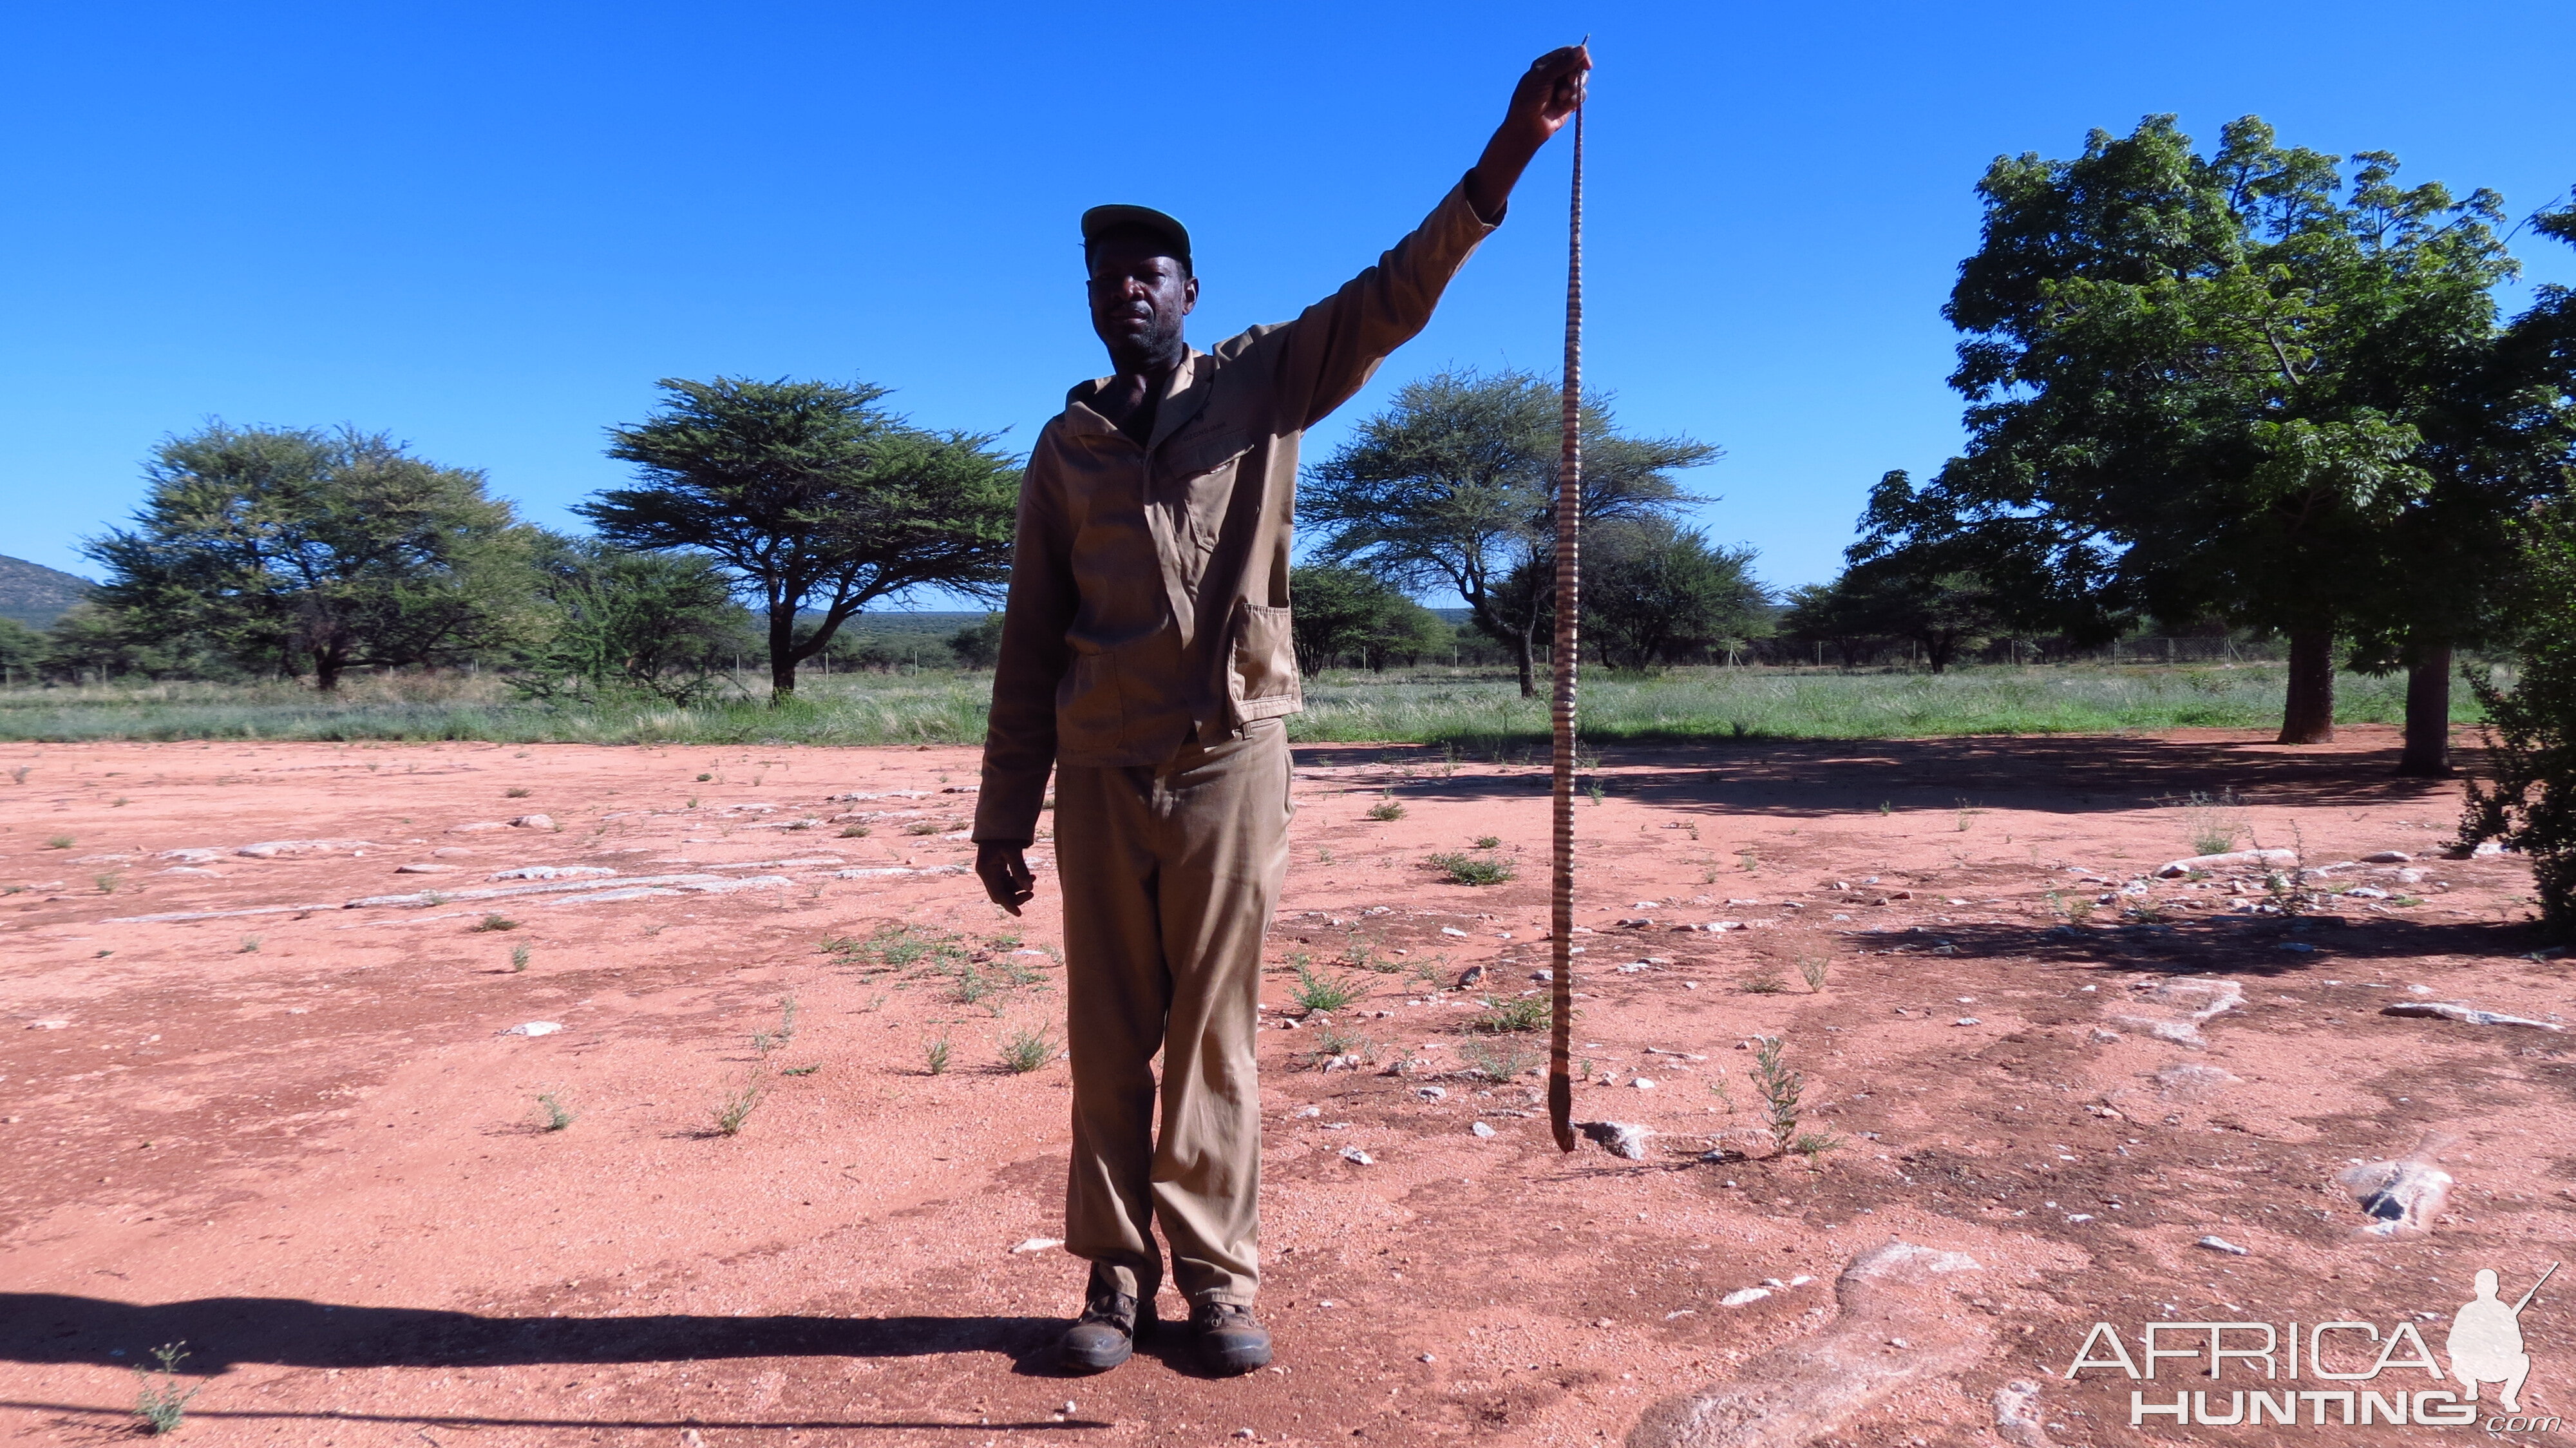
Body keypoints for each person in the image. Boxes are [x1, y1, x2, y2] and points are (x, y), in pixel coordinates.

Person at [971, 43, 1591, 1377]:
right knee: (1103, 1034)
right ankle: (1111, 1273)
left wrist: (1507, 153)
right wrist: (1000, 812)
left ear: (1192, 295)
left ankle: (1216, 1274)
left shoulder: (1263, 382)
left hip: (1227, 761)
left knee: (1216, 1027)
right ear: (1088, 300)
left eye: (1148, 274)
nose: (1124, 291)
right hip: (1094, 765)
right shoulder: (1064, 446)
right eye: (1105, 275)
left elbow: (1393, 295)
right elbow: (1030, 635)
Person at [2447, 1268, 2536, 1412]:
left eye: (2489, 1286)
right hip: (2471, 1365)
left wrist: (2501, 1343)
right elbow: (2453, 1342)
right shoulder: (2467, 1310)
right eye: (2482, 1286)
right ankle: (2471, 1386)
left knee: (2523, 1360)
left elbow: (2518, 1345)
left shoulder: (2504, 1312)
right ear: (2476, 1288)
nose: (2485, 1290)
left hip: (2496, 1365)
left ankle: (2508, 1397)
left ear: (2496, 1288)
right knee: (2458, 1358)